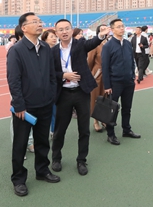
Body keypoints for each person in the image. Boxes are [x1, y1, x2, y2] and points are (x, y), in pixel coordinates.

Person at [7, 12, 58, 197]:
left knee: (42, 141)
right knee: (20, 144)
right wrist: (19, 105)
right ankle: (18, 179)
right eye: (34, 22)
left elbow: (52, 74)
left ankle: (42, 170)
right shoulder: (16, 50)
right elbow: (13, 79)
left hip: (45, 103)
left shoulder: (45, 48)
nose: (39, 24)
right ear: (24, 28)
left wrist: (51, 95)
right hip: (25, 107)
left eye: (39, 21)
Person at [51, 19, 108, 176]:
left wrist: (101, 36)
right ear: (56, 33)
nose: (64, 32)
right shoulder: (52, 51)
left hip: (81, 92)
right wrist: (64, 75)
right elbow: (50, 72)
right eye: (61, 29)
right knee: (60, 130)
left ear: (71, 30)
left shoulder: (80, 44)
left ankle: (81, 160)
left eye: (67, 28)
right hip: (63, 93)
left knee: (84, 129)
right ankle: (56, 158)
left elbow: (92, 43)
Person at [102, 19, 141, 145]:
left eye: (122, 26)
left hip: (128, 81)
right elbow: (105, 66)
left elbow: (131, 60)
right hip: (115, 83)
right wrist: (107, 85)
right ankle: (110, 134)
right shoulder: (108, 46)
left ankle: (126, 129)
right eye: (118, 27)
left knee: (127, 107)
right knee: (112, 109)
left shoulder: (128, 44)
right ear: (112, 29)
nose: (122, 29)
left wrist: (132, 75)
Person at [88, 25, 108, 133]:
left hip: (108, 74)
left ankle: (104, 119)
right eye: (102, 29)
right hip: (97, 74)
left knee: (106, 97)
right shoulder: (95, 44)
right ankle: (96, 121)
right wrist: (91, 74)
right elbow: (90, 61)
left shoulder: (109, 43)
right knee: (96, 97)